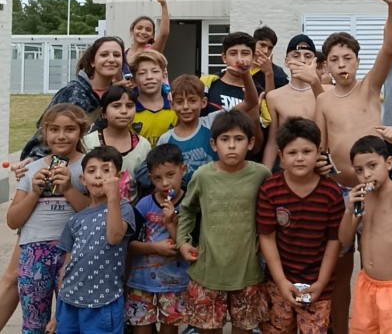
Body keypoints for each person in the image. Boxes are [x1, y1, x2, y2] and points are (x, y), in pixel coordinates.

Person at [315, 0, 392, 334]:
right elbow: (321, 145)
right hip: (343, 190)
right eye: (335, 59)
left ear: (357, 60)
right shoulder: (324, 100)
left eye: (348, 57)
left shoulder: (370, 86)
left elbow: (388, 49)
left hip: (381, 190)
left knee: (386, 256)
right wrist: (322, 164)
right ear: (325, 65)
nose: (342, 64)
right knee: (342, 267)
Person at [177, 110, 271, 334]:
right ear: (213, 144)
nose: (231, 146)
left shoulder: (261, 175)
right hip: (208, 271)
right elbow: (187, 210)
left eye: (238, 139)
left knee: (244, 328)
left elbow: (271, 213)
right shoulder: (202, 176)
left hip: (247, 270)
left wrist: (264, 243)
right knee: (208, 329)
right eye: (225, 139)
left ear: (250, 143)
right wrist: (183, 241)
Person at [6, 104, 91, 334]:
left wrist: (69, 189)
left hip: (74, 252)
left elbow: (93, 214)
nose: (61, 136)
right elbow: (13, 220)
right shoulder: (32, 169)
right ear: (45, 132)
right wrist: (34, 191)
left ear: (81, 131)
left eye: (70, 129)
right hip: (34, 252)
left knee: (69, 322)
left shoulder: (89, 168)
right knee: (34, 324)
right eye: (54, 129)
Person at [257, 117, 344, 333]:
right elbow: (266, 237)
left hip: (318, 287)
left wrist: (321, 283)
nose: (300, 158)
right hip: (278, 283)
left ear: (318, 152)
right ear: (281, 157)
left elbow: (335, 241)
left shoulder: (331, 193)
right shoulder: (270, 190)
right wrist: (281, 281)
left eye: (307, 152)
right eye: (292, 153)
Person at [338, 128, 392, 334]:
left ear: (389, 163)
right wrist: (350, 210)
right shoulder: (361, 197)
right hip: (366, 284)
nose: (366, 174)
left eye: (372, 166)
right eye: (359, 170)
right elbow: (344, 238)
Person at [54, 146, 136, 334]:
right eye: (91, 171)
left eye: (106, 170)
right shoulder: (76, 219)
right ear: (83, 179)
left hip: (103, 301)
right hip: (69, 300)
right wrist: (57, 311)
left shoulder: (123, 209)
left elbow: (114, 237)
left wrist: (113, 196)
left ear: (120, 177)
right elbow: (67, 265)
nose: (98, 176)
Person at [21, 36, 126, 160]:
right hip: (63, 164)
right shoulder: (73, 92)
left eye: (117, 55)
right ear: (92, 61)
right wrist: (35, 160)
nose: (111, 59)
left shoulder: (118, 94)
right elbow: (46, 128)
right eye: (104, 55)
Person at [126, 144, 188, 334]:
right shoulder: (144, 205)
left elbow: (190, 247)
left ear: (183, 170)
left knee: (169, 329)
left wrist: (171, 225)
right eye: (157, 178)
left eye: (170, 175)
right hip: (141, 282)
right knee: (141, 328)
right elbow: (129, 244)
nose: (164, 184)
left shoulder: (189, 204)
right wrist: (155, 248)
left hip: (175, 283)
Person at [158, 74, 256, 185]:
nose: (186, 107)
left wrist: (246, 73)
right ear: (172, 105)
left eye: (192, 100)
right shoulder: (165, 139)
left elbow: (250, 102)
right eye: (180, 102)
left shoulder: (213, 121)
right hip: (183, 199)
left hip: (215, 192)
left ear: (203, 102)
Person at [261, 34, 324, 171]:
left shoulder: (328, 91)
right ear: (286, 61)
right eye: (296, 56)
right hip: (287, 167)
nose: (301, 60)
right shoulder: (274, 97)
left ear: (314, 61)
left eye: (307, 56)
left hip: (319, 166)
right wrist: (265, 175)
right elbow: (272, 142)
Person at [83, 85, 151, 203]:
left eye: (129, 106)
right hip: (95, 213)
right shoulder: (87, 142)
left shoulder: (143, 145)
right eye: (116, 106)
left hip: (131, 215)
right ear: (103, 112)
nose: (124, 111)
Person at [201, 31, 265, 154]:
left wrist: (255, 117)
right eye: (233, 53)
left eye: (245, 53)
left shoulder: (259, 93)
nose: (239, 59)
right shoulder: (208, 86)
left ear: (253, 58)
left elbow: (257, 147)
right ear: (224, 58)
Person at [130, 50, 177, 147]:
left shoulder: (176, 107)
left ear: (164, 75)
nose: (149, 77)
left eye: (155, 71)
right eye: (142, 73)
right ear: (134, 80)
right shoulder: (128, 110)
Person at [123, 0, 170, 78]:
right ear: (132, 31)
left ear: (152, 35)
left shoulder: (151, 51)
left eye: (148, 30)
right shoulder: (123, 53)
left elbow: (164, 33)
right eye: (139, 28)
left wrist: (164, 5)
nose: (143, 32)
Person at [251, 25, 289, 93]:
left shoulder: (278, 73)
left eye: (270, 48)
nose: (265, 51)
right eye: (262, 45)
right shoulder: (243, 66)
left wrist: (269, 73)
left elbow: (278, 100)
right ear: (253, 43)